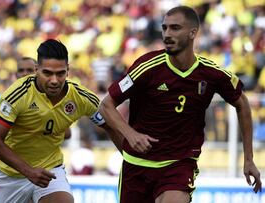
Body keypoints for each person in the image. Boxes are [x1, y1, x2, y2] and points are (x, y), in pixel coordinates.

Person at [99, 6, 262, 203]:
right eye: (165, 28)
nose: (167, 34)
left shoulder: (211, 74)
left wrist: (248, 159)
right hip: (137, 167)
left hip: (179, 165)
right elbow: (106, 105)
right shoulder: (146, 66)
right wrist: (130, 134)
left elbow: (242, 103)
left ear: (193, 33)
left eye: (175, 28)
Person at [0, 39, 113, 203]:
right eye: (47, 73)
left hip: (49, 169)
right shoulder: (16, 95)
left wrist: (130, 149)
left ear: (68, 71)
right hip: (11, 175)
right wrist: (29, 171)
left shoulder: (80, 96)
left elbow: (112, 124)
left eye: (60, 73)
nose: (54, 80)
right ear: (37, 70)